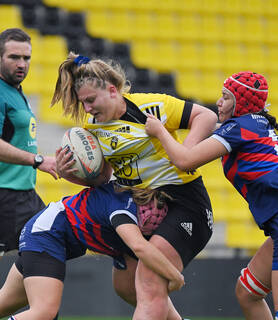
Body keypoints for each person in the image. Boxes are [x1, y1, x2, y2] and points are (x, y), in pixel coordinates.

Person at [51, 52, 217, 320]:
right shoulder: (92, 126)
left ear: (113, 91)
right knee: (127, 287)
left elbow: (207, 117)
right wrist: (69, 173)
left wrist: (184, 154)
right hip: (143, 209)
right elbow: (103, 178)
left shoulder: (151, 107)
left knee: (150, 283)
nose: (88, 109)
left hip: (186, 205)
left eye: (91, 100)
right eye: (84, 103)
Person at [145, 71, 278, 320]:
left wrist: (160, 131)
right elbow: (208, 127)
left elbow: (184, 161)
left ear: (242, 104)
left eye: (226, 97)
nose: (219, 102)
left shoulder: (242, 127)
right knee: (247, 293)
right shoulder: (249, 125)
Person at [0, 179, 185, 320]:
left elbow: (137, 288)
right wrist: (175, 276)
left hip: (46, 233)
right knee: (44, 311)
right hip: (47, 234)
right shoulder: (123, 207)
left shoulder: (132, 218)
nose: (156, 213)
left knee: (6, 302)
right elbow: (140, 247)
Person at [0, 28, 57, 256]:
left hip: (25, 195)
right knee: (43, 251)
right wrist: (38, 160)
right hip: (6, 196)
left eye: (26, 57)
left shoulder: (16, 92)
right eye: (14, 57)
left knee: (51, 245)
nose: (22, 63)